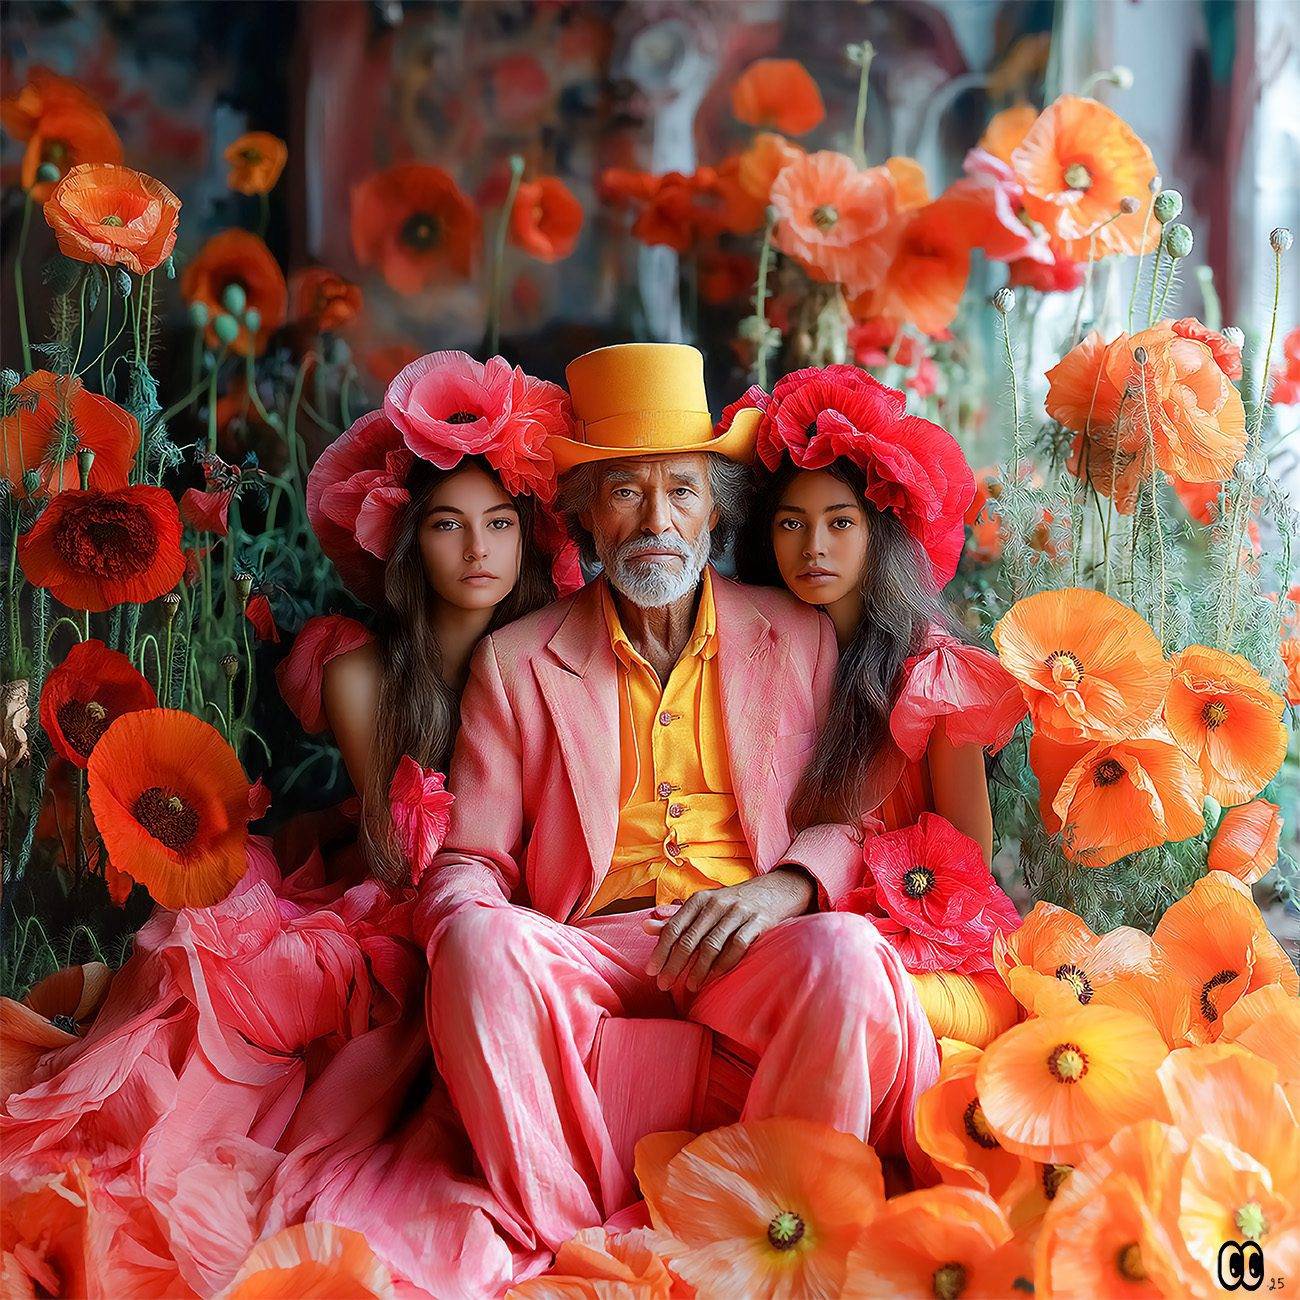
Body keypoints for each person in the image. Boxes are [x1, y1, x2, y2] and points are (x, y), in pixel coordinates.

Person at [415, 342, 940, 1257]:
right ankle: (575, 1244)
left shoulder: (800, 638)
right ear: (586, 516)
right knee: (470, 940)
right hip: (586, 947)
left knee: (851, 956)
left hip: (749, 944)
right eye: (625, 492)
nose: (657, 520)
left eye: (683, 491)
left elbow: (853, 823)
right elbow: (468, 862)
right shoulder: (514, 660)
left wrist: (783, 889)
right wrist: (479, 942)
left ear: (715, 510)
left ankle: (772, 1228)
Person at [736, 364, 1026, 853]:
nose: (814, 547)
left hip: (907, 917)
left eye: (841, 523)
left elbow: (969, 861)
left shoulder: (932, 675)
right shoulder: (755, 647)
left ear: (879, 535)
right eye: (791, 524)